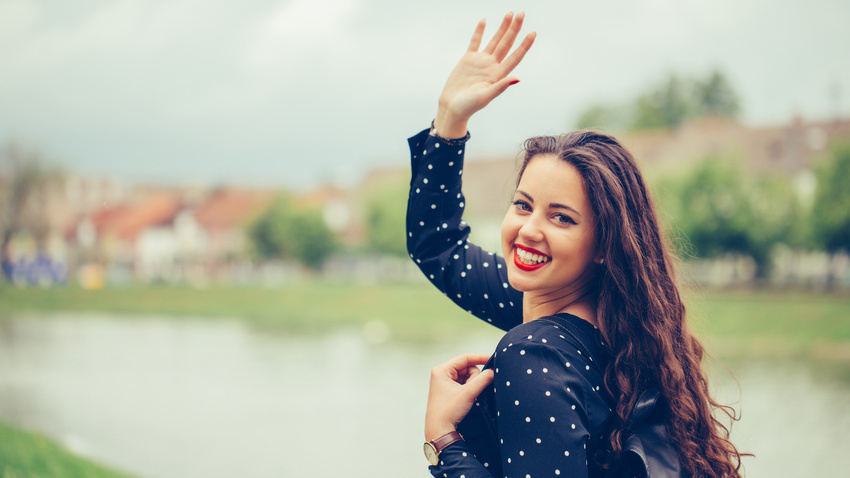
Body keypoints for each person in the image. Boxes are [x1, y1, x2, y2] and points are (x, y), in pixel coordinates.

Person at [407, 12, 744, 478]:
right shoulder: (620, 326)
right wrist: (450, 119)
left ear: (606, 242)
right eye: (523, 205)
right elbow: (438, 247)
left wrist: (444, 441)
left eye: (561, 217)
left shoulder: (536, 350)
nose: (529, 229)